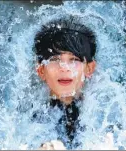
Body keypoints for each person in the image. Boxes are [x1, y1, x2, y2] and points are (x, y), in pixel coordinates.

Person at [34, 15, 96, 149]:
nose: (65, 68)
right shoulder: (25, 124)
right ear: (41, 70)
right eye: (55, 59)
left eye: (74, 59)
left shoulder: (103, 120)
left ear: (89, 68)